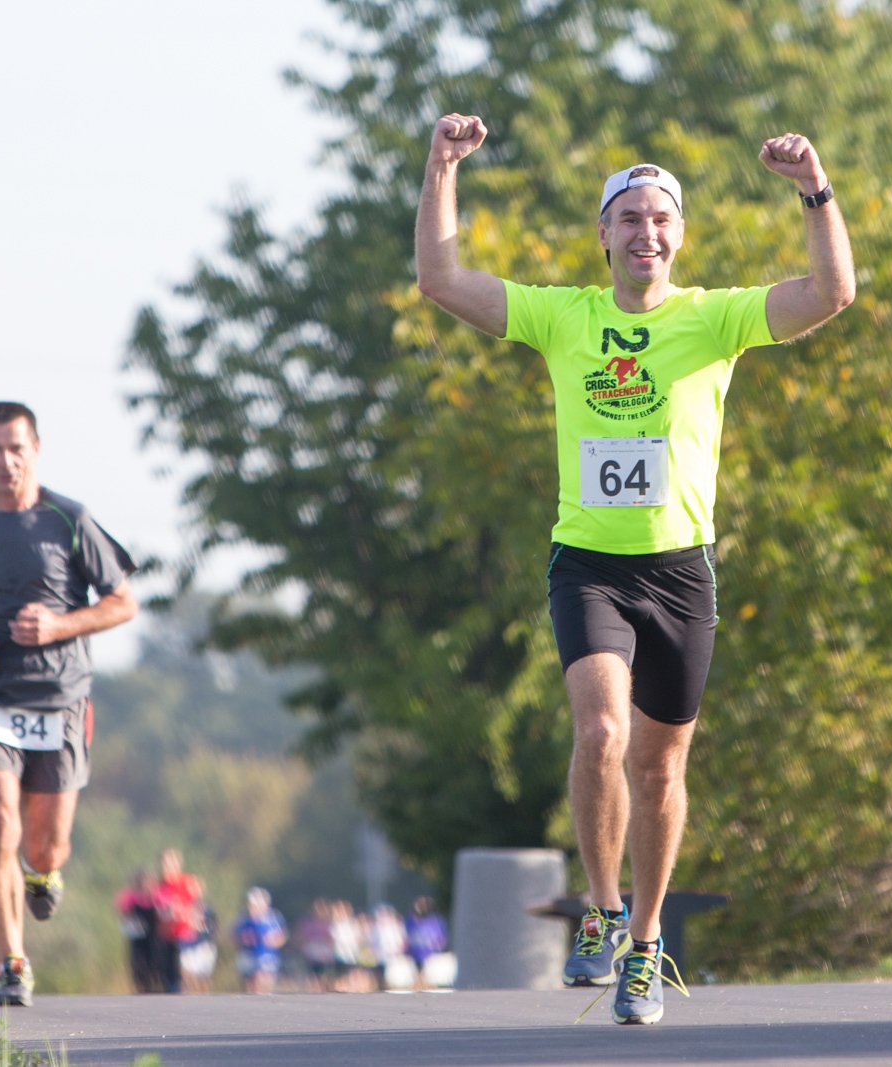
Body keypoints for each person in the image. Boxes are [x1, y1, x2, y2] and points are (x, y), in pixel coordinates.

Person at [415, 116, 854, 1024]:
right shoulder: (564, 315)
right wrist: (442, 167)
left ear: (678, 236)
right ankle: (603, 909)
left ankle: (646, 946)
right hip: (591, 567)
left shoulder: (716, 317)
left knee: (658, 771)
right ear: (604, 233)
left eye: (661, 219)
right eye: (630, 218)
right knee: (602, 734)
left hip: (682, 573)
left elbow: (832, 292)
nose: (645, 232)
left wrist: (815, 188)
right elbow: (441, 279)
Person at [0, 401, 138, 1006]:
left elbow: (123, 602)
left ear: (35, 450)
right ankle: (11, 962)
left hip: (59, 702)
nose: (5, 461)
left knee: (44, 845)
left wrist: (62, 625)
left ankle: (43, 874)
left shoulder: (70, 521)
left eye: (16, 448)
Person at [152, 848, 202, 994]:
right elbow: (159, 910)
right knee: (170, 977)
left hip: (185, 934)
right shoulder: (159, 886)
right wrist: (167, 913)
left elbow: (197, 905)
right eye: (164, 864)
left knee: (186, 972)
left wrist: (190, 916)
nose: (167, 867)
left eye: (171, 863)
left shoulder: (187, 882)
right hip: (167, 936)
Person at [115, 869, 162, 994]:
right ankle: (141, 989)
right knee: (138, 966)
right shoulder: (132, 898)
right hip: (137, 938)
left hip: (154, 938)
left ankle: (154, 988)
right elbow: (122, 912)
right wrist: (127, 919)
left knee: (155, 965)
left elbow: (164, 911)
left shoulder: (156, 897)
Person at [232, 887, 287, 994]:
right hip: (248, 954)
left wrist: (273, 941)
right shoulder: (244, 918)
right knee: (249, 984)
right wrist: (242, 939)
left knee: (263, 981)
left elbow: (282, 935)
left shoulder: (273, 917)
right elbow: (232, 934)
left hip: (266, 954)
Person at [404, 896, 452, 989]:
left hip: (430, 955)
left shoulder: (435, 921)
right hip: (415, 954)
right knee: (416, 975)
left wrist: (439, 945)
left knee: (427, 976)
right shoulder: (411, 921)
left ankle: (424, 987)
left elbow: (442, 939)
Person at [298, 899, 338, 992]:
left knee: (324, 977)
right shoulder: (308, 924)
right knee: (313, 977)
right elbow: (301, 938)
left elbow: (332, 939)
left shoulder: (330, 924)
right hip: (312, 954)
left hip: (325, 955)